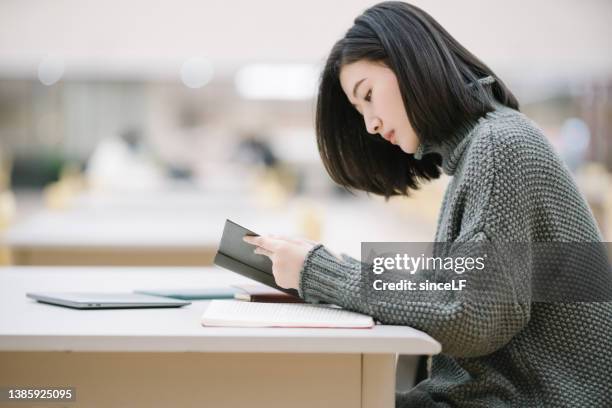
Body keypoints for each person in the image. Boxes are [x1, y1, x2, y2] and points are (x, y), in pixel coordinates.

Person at [243, 2, 612, 406]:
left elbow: (475, 317)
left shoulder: (499, 146)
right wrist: (322, 269)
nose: (369, 124)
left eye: (368, 95)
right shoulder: (483, 149)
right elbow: (451, 293)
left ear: (411, 64)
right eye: (358, 109)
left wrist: (321, 272)